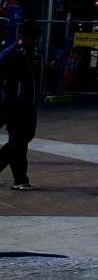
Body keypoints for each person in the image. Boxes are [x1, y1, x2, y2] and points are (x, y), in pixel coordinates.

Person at [0, 20, 39, 190]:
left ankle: (21, 179)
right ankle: (20, 179)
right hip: (14, 104)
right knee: (18, 142)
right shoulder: (10, 54)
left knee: (22, 140)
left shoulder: (32, 54)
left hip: (27, 104)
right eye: (33, 37)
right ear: (23, 36)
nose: (35, 40)